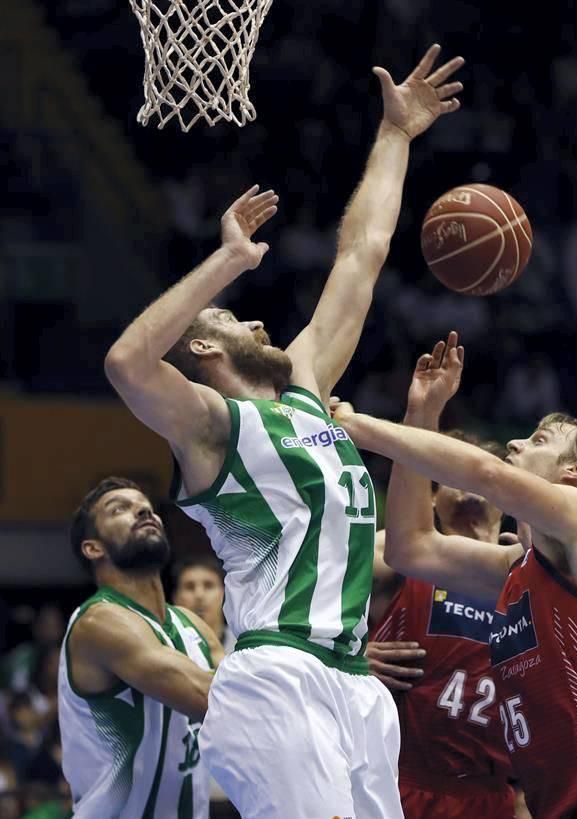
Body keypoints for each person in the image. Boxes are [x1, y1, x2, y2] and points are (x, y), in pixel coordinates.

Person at [104, 44, 464, 819]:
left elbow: (362, 256)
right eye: (236, 318)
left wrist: (397, 135)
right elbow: (129, 361)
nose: (260, 317)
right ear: (204, 348)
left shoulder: (304, 391)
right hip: (277, 677)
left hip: (354, 686)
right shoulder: (210, 428)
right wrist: (226, 262)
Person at [331, 332, 577, 819]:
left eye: (539, 441)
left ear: (575, 472)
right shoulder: (519, 570)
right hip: (554, 805)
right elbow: (413, 547)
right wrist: (421, 415)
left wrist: (356, 425)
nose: (514, 442)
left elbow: (484, 474)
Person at [365, 340, 522, 818]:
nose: (467, 482)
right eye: (450, 472)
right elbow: (298, 604)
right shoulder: (391, 553)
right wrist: (343, 657)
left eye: (477, 472)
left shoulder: (528, 567)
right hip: (402, 780)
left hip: (497, 791)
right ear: (428, 498)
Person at [58, 477, 224, 818]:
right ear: (93, 548)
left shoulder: (191, 624)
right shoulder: (99, 623)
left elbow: (248, 706)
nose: (143, 511)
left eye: (145, 506)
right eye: (120, 509)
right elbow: (215, 700)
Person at [172, 554, 236, 653]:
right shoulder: (168, 647)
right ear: (175, 598)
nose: (199, 595)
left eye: (208, 586)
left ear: (225, 594)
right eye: (189, 587)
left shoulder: (246, 646)